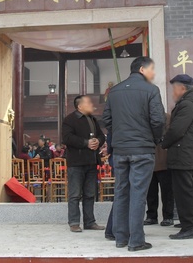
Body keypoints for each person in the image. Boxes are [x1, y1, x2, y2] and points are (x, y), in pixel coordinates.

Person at [102, 56, 166, 252]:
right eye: (151, 69)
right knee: (138, 194)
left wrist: (120, 137)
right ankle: (136, 240)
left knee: (121, 192)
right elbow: (158, 121)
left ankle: (121, 238)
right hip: (142, 149)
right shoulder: (151, 90)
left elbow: (107, 120)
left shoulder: (114, 92)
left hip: (121, 150)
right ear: (141, 69)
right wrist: (155, 139)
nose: (153, 73)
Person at [162, 74, 193, 240]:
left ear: (181, 88)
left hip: (184, 156)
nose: (173, 92)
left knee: (184, 193)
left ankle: (188, 228)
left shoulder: (186, 105)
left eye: (173, 88)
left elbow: (176, 130)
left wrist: (163, 142)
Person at [62, 95, 106, 233]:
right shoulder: (70, 119)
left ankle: (90, 222)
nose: (91, 104)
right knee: (75, 194)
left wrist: (98, 141)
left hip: (91, 161)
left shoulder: (93, 119)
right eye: (88, 102)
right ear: (79, 106)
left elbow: (100, 135)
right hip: (76, 162)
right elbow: (67, 138)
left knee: (90, 194)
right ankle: (74, 222)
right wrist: (86, 143)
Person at [144, 142, 174, 227]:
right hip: (149, 162)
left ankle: (168, 216)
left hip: (165, 162)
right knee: (150, 193)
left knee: (167, 192)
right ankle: (151, 216)